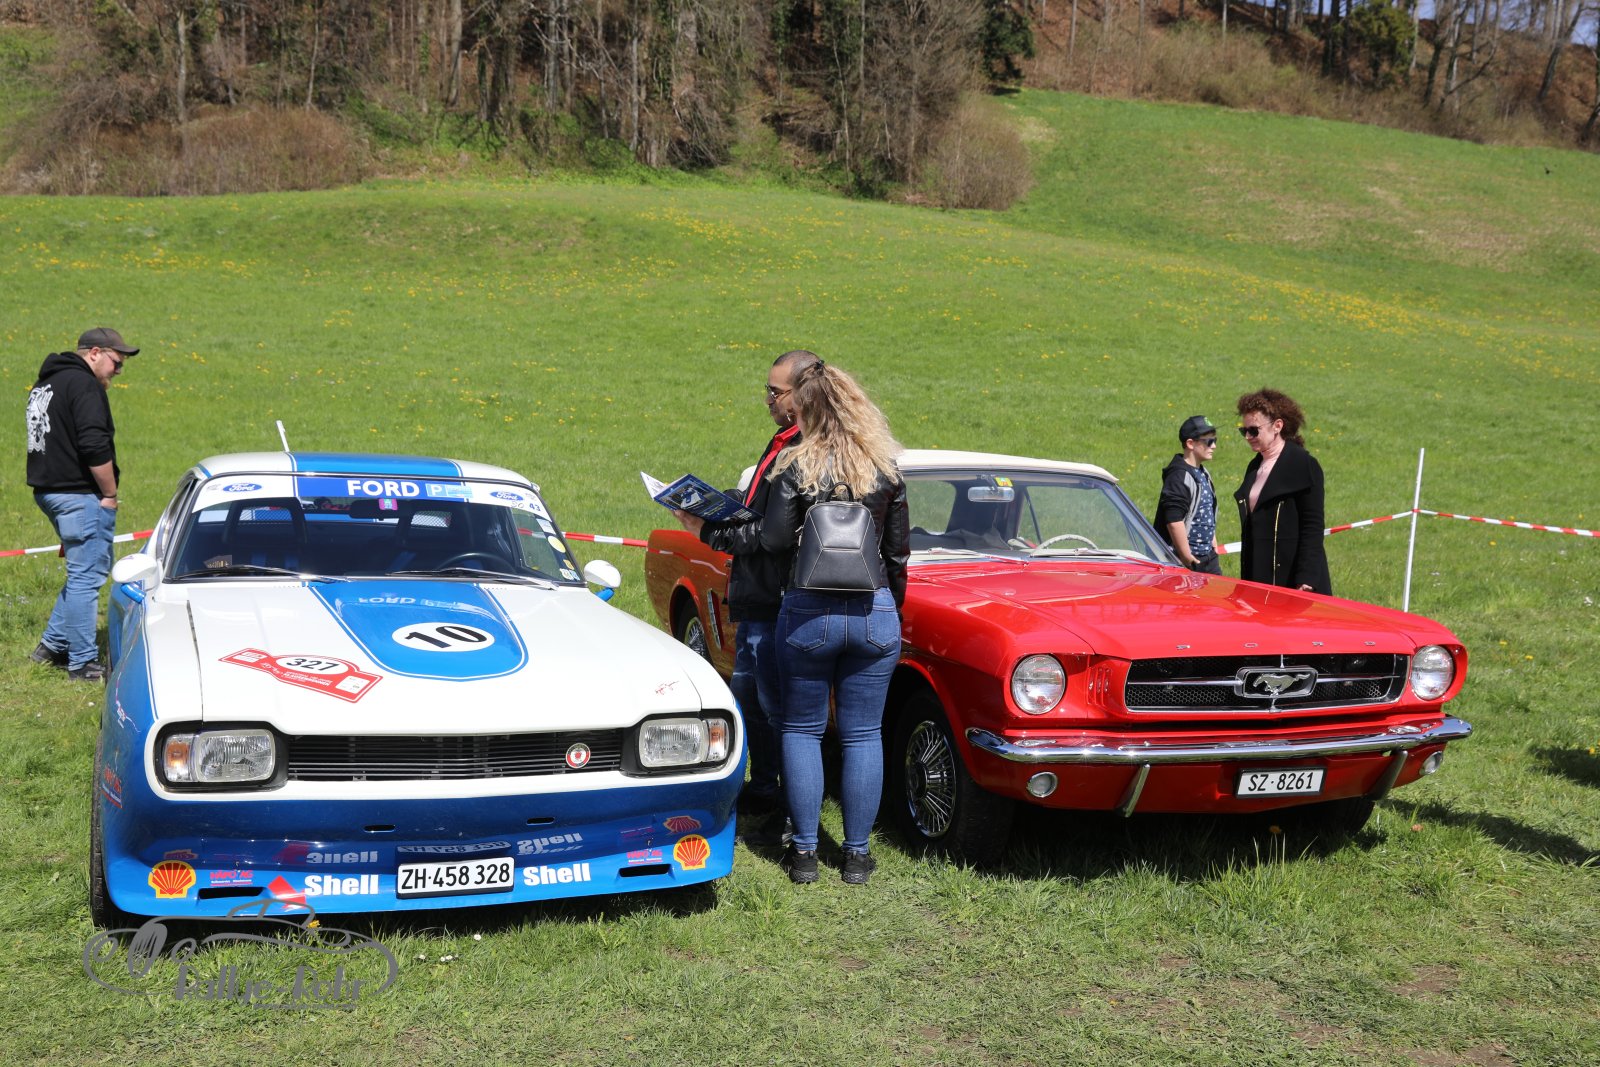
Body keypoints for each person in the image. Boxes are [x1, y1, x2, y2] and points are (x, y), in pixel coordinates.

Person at [760, 360, 909, 886]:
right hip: (874, 610)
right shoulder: (884, 468)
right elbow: (898, 555)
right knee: (863, 733)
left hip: (808, 611)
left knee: (801, 729)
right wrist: (892, 611)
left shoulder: (796, 465)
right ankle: (857, 856)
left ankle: (804, 854)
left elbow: (774, 540)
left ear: (806, 409)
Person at [675, 350, 820, 832]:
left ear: (801, 394)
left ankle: (792, 809)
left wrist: (709, 531)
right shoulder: (781, 441)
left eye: (775, 392)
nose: (768, 400)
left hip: (777, 599)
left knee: (776, 706)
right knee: (749, 696)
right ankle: (764, 786)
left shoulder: (803, 448)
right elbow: (763, 510)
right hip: (757, 596)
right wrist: (724, 503)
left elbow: (774, 535)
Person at [25, 327, 139, 681]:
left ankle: (52, 646)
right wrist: (109, 492)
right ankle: (82, 663)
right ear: (94, 353)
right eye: (116, 361)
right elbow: (93, 444)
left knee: (82, 572)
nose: (119, 370)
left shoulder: (47, 383)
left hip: (48, 489)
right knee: (87, 577)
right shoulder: (84, 385)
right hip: (78, 493)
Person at [1233, 388, 1331, 595]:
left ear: (1277, 426)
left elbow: (1313, 526)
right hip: (1259, 574)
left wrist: (1306, 578)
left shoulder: (1304, 464)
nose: (1248, 437)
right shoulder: (1255, 466)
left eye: (1254, 430)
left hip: (1294, 579)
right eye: (1244, 431)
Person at [1155, 414, 1222, 574]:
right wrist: (1186, 557)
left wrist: (1213, 542)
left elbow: (1205, 510)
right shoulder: (1179, 476)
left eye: (1215, 440)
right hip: (1185, 559)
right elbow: (1174, 520)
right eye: (1209, 441)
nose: (1214, 446)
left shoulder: (1202, 473)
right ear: (1190, 443)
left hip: (1208, 556)